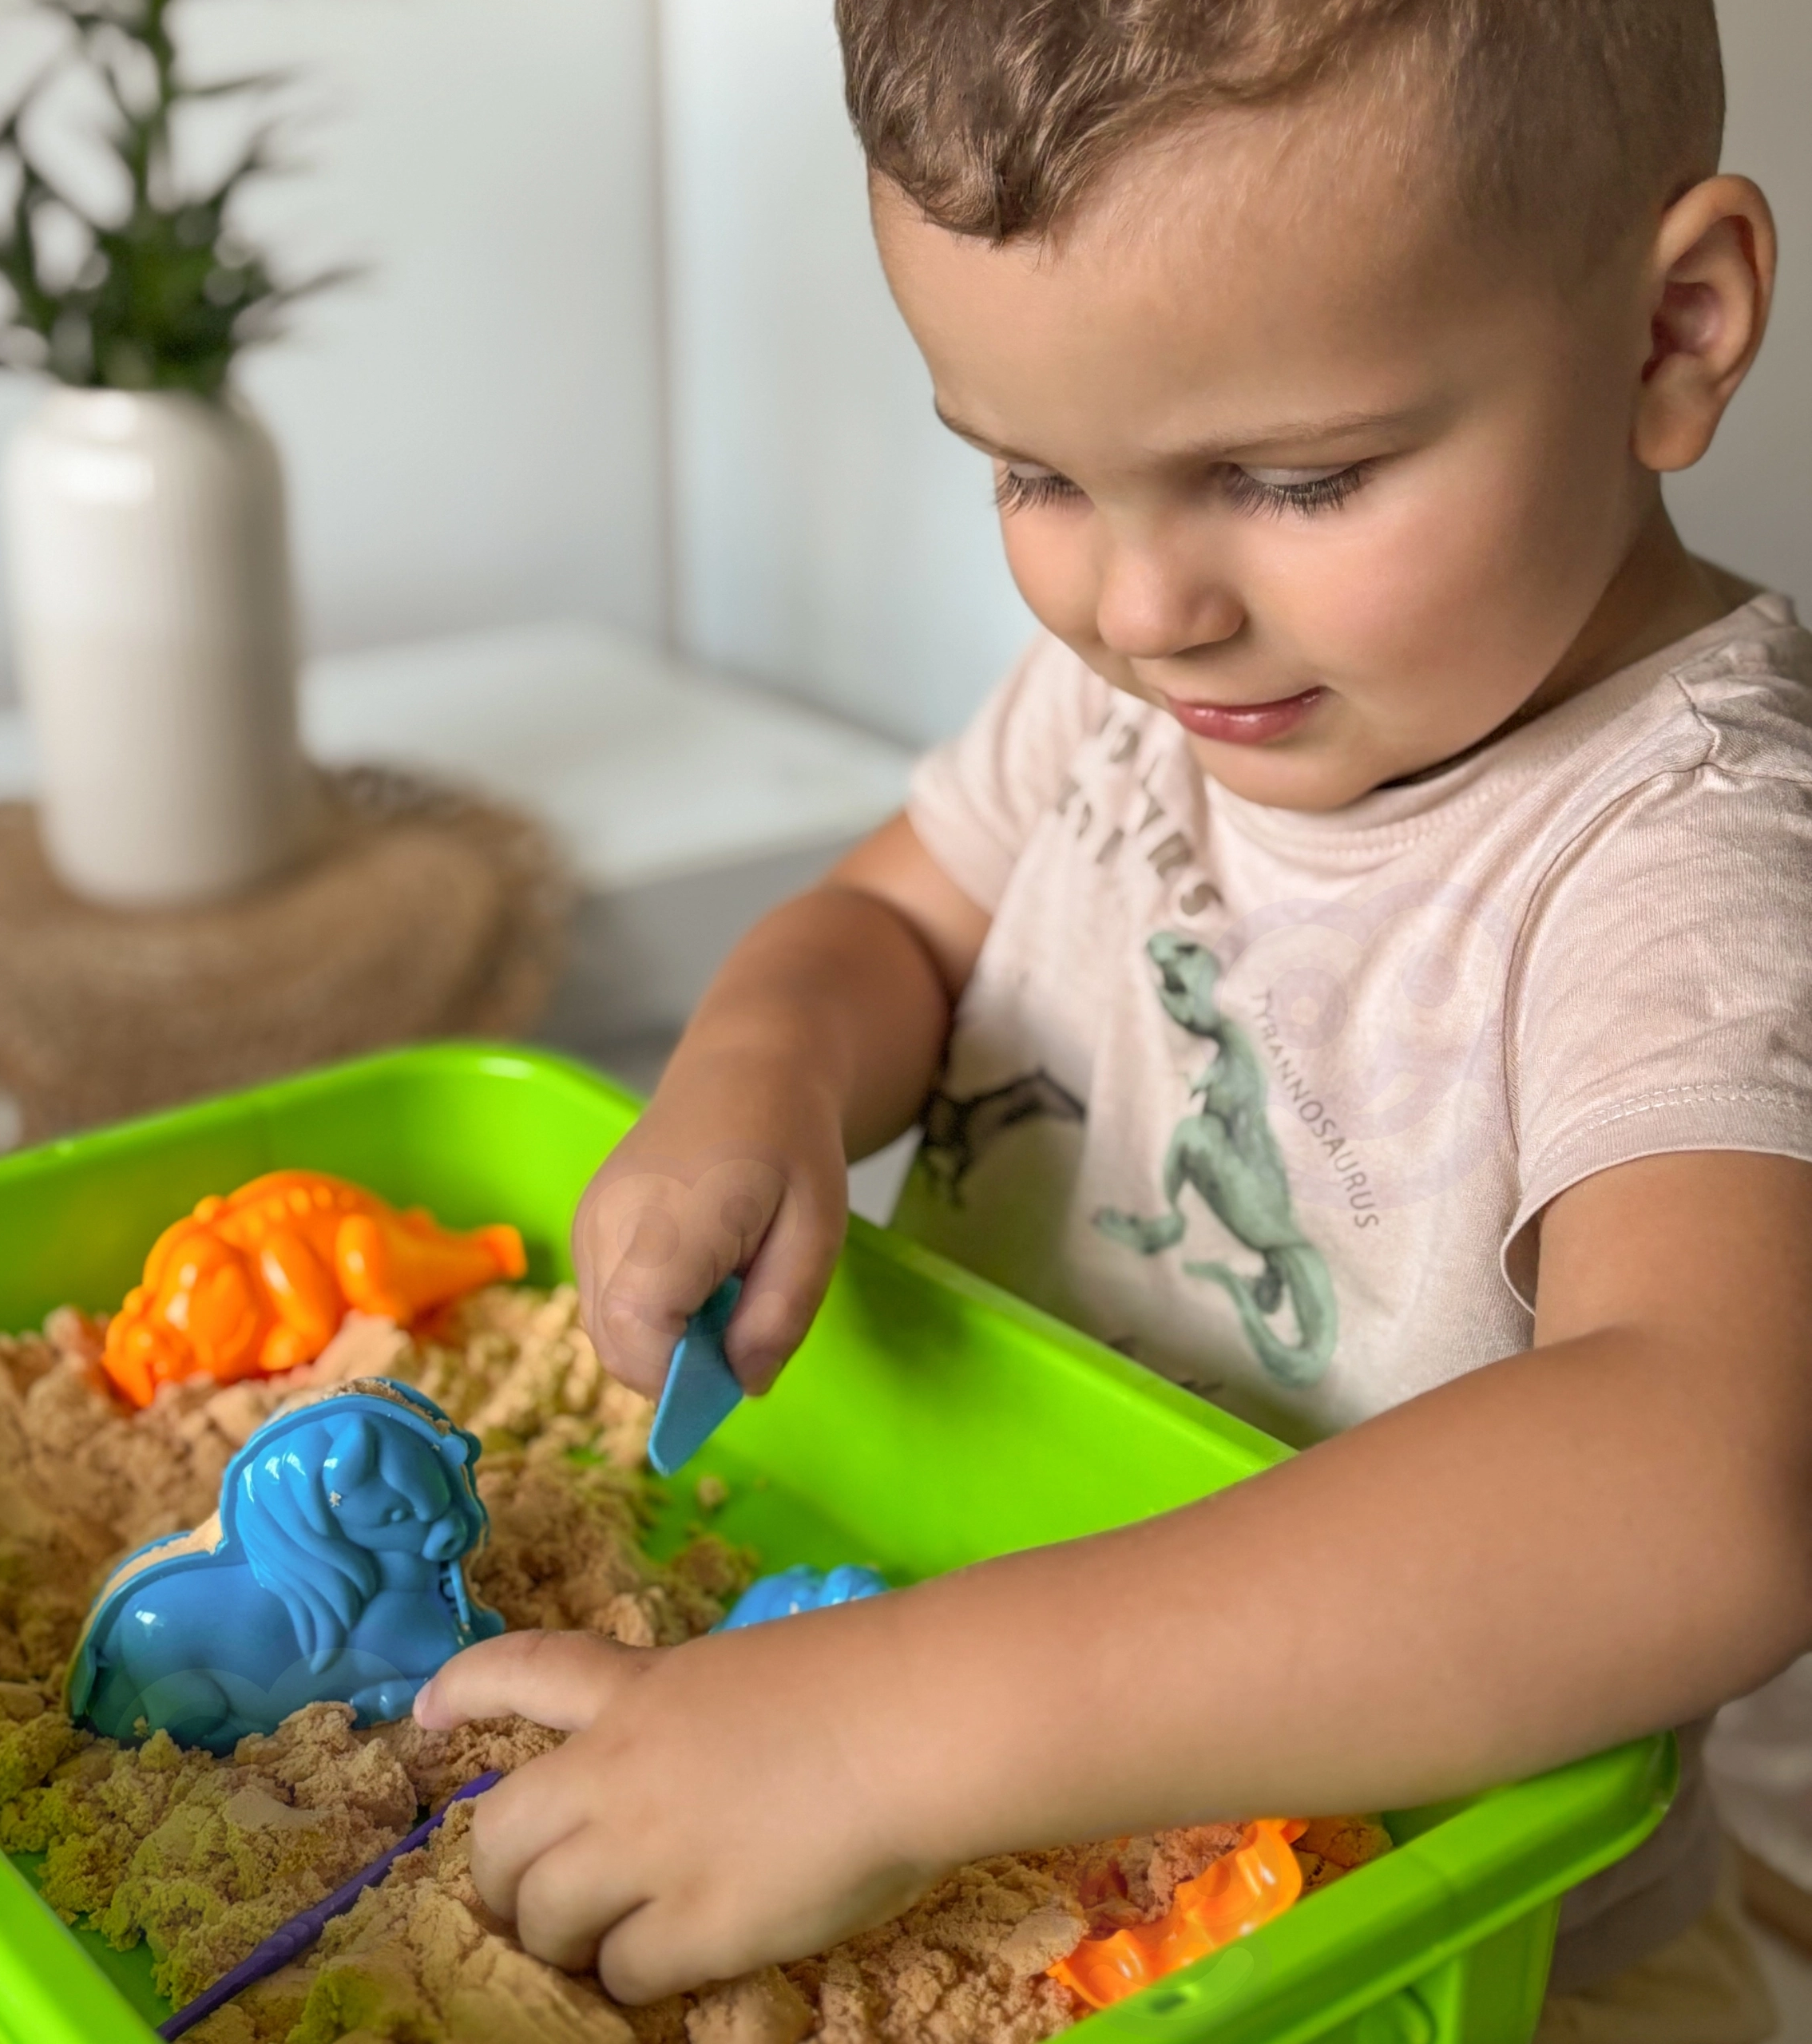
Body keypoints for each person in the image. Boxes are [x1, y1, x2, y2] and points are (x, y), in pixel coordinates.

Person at [419, 3, 1811, 2034]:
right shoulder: (1157, 695)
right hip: (1003, 1865)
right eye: (1032, 472)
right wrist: (758, 1070)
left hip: (1452, 1964)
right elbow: (893, 917)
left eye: (1295, 478)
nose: (1143, 610)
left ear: (1671, 331)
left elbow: (1702, 1479)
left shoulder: (1687, 853)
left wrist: (875, 1735)